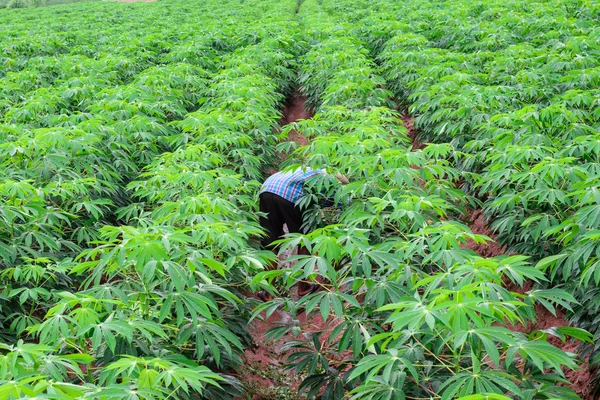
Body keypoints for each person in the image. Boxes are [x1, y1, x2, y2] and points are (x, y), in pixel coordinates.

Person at [258, 166, 349, 298]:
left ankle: (267, 292)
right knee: (304, 240)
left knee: (270, 241)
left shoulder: (305, 171)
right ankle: (303, 287)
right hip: (290, 195)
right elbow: (340, 189)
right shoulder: (327, 178)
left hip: (267, 189)